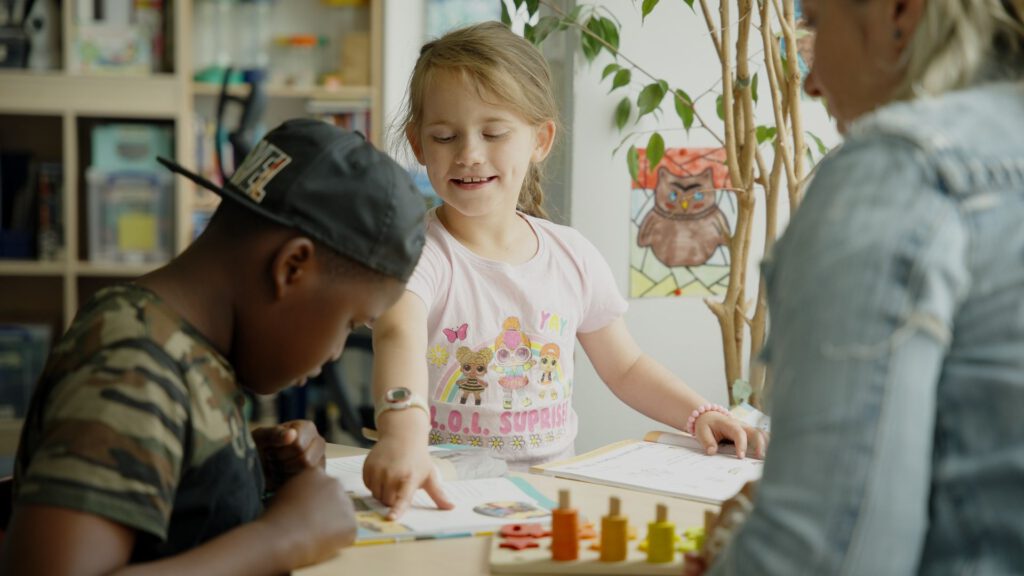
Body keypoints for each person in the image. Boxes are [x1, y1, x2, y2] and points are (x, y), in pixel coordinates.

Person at [362, 21, 767, 521]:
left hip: (548, 501)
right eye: (444, 136)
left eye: (493, 132)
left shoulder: (571, 254)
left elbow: (626, 367)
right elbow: (398, 332)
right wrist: (402, 433)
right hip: (442, 499)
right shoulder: (417, 253)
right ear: (418, 145)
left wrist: (702, 412)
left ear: (540, 139)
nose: (468, 153)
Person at [0, 119, 428, 575]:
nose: (336, 353)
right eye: (349, 323)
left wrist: (240, 466)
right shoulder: (132, 366)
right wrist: (285, 537)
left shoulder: (184, 346)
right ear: (292, 267)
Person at [688, 0, 1024, 574]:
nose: (810, 82)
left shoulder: (900, 169)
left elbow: (824, 557)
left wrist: (733, 550)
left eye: (814, 23)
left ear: (900, 12)